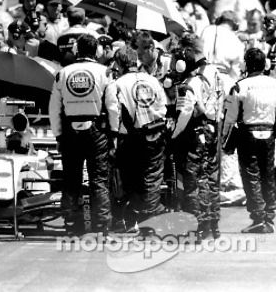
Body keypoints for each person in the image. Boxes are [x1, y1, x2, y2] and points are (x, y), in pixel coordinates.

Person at [49, 34, 119, 236]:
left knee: (71, 179)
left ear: (77, 50)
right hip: (97, 131)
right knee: (99, 179)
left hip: (70, 132)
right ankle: (102, 225)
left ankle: (71, 223)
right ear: (96, 51)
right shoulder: (105, 72)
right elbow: (113, 107)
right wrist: (114, 133)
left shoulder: (62, 73)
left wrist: (58, 135)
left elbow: (53, 109)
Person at [106, 47, 168, 232]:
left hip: (130, 138)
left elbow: (114, 112)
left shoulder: (117, 84)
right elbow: (163, 107)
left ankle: (138, 223)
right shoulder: (153, 80)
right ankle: (147, 224)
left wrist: (113, 137)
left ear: (119, 64)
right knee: (151, 180)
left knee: (131, 182)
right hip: (156, 134)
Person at [171, 34, 227, 240]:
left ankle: (198, 226)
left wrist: (174, 135)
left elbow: (186, 113)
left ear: (187, 52)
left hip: (196, 132)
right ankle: (213, 223)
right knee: (211, 178)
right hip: (213, 128)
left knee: (194, 180)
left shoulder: (192, 81)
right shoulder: (216, 73)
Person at [223, 48, 276, 234]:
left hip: (248, 134)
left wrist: (224, 140)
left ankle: (258, 218)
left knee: (251, 176)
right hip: (270, 133)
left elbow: (230, 117)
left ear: (247, 64)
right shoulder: (274, 83)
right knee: (268, 174)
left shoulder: (239, 86)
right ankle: (269, 217)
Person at [200, 10, 244, 80]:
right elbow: (235, 71)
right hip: (223, 76)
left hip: (203, 72)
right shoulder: (237, 41)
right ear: (234, 24)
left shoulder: (207, 30)